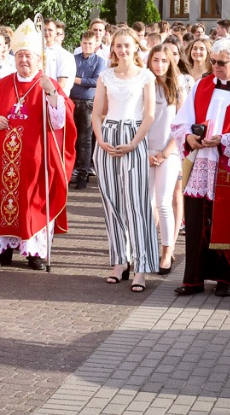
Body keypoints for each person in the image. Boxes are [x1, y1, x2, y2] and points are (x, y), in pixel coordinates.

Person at [0, 19, 76, 270]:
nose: (23, 60)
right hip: (4, 162)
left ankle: (35, 253)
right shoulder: (2, 84)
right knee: (3, 201)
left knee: (34, 203)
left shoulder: (47, 84)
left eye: (28, 56)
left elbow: (60, 123)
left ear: (39, 59)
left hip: (36, 159)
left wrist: (52, 94)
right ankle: (3, 252)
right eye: (19, 55)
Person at [171, 38, 230, 297]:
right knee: (197, 222)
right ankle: (193, 279)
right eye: (213, 61)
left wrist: (225, 140)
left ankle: (225, 279)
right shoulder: (201, 85)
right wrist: (189, 137)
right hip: (202, 163)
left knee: (227, 223)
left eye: (221, 63)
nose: (215, 66)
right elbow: (181, 122)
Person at [92, 27, 157, 292]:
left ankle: (141, 267)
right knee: (112, 203)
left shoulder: (146, 76)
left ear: (136, 47)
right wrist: (100, 140)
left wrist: (133, 143)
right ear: (113, 49)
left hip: (133, 136)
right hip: (108, 137)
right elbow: (96, 112)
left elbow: (149, 115)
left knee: (137, 206)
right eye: (118, 46)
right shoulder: (105, 75)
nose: (122, 50)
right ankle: (119, 261)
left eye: (127, 45)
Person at [146, 44, 182, 275]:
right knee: (148, 204)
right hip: (146, 151)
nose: (159, 65)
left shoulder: (177, 87)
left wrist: (166, 152)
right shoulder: (144, 84)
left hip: (169, 152)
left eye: (164, 61)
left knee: (163, 202)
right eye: (156, 60)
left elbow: (182, 124)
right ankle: (148, 249)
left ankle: (167, 252)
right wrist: (146, 152)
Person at [70, 30, 105, 191]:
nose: (87, 46)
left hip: (88, 103)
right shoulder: (74, 59)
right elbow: (67, 75)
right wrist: (78, 80)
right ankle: (72, 171)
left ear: (96, 44)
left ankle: (83, 175)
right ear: (81, 43)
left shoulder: (99, 61)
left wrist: (76, 79)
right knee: (72, 138)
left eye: (90, 44)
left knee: (85, 140)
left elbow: (95, 81)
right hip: (72, 101)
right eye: (85, 43)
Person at [43, 19, 76, 95]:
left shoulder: (63, 54)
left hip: (54, 96)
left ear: (55, 33)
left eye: (50, 30)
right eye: (44, 30)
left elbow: (61, 83)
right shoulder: (36, 51)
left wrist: (49, 95)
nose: (47, 32)